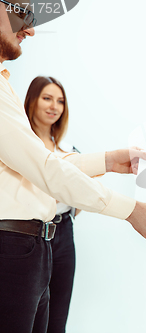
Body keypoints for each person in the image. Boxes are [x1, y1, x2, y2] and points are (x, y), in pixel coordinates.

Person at [0, 2, 146, 332]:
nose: (31, 29)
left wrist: (108, 161)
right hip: (12, 247)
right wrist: (131, 210)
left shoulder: (4, 85)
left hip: (34, 248)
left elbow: (42, 165)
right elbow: (45, 168)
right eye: (21, 13)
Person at [24, 75, 84, 332]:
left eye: (60, 101)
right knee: (27, 315)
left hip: (63, 232)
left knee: (58, 317)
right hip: (30, 234)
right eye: (47, 98)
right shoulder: (22, 146)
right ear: (32, 101)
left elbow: (78, 200)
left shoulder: (70, 150)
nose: (54, 106)